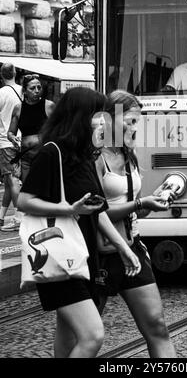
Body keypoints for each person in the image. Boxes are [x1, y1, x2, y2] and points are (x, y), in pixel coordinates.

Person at [17, 87, 141, 358]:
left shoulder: (84, 156)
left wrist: (125, 248)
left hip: (83, 257)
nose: (103, 122)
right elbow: (24, 200)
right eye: (98, 116)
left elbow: (98, 212)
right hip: (60, 255)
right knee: (92, 335)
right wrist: (67, 208)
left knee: (68, 337)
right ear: (80, 117)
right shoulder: (52, 153)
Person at [95, 90, 177, 358]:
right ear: (109, 119)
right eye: (129, 121)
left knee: (157, 327)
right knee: (85, 336)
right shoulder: (96, 158)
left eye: (137, 122)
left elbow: (134, 209)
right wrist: (141, 204)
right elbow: (96, 213)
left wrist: (152, 204)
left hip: (132, 247)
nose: (134, 127)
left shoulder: (129, 155)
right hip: (99, 255)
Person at [8, 74, 55, 182]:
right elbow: (11, 132)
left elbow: (58, 129)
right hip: (26, 156)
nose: (37, 90)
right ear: (24, 91)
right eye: (32, 88)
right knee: (27, 188)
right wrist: (12, 138)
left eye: (39, 87)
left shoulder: (48, 105)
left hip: (44, 155)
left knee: (42, 187)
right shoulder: (18, 108)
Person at [0, 63, 22, 231]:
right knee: (9, 180)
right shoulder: (24, 91)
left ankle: (19, 218)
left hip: (6, 141)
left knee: (12, 180)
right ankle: (1, 217)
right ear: (15, 73)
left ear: (2, 75)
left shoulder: (1, 93)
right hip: (22, 140)